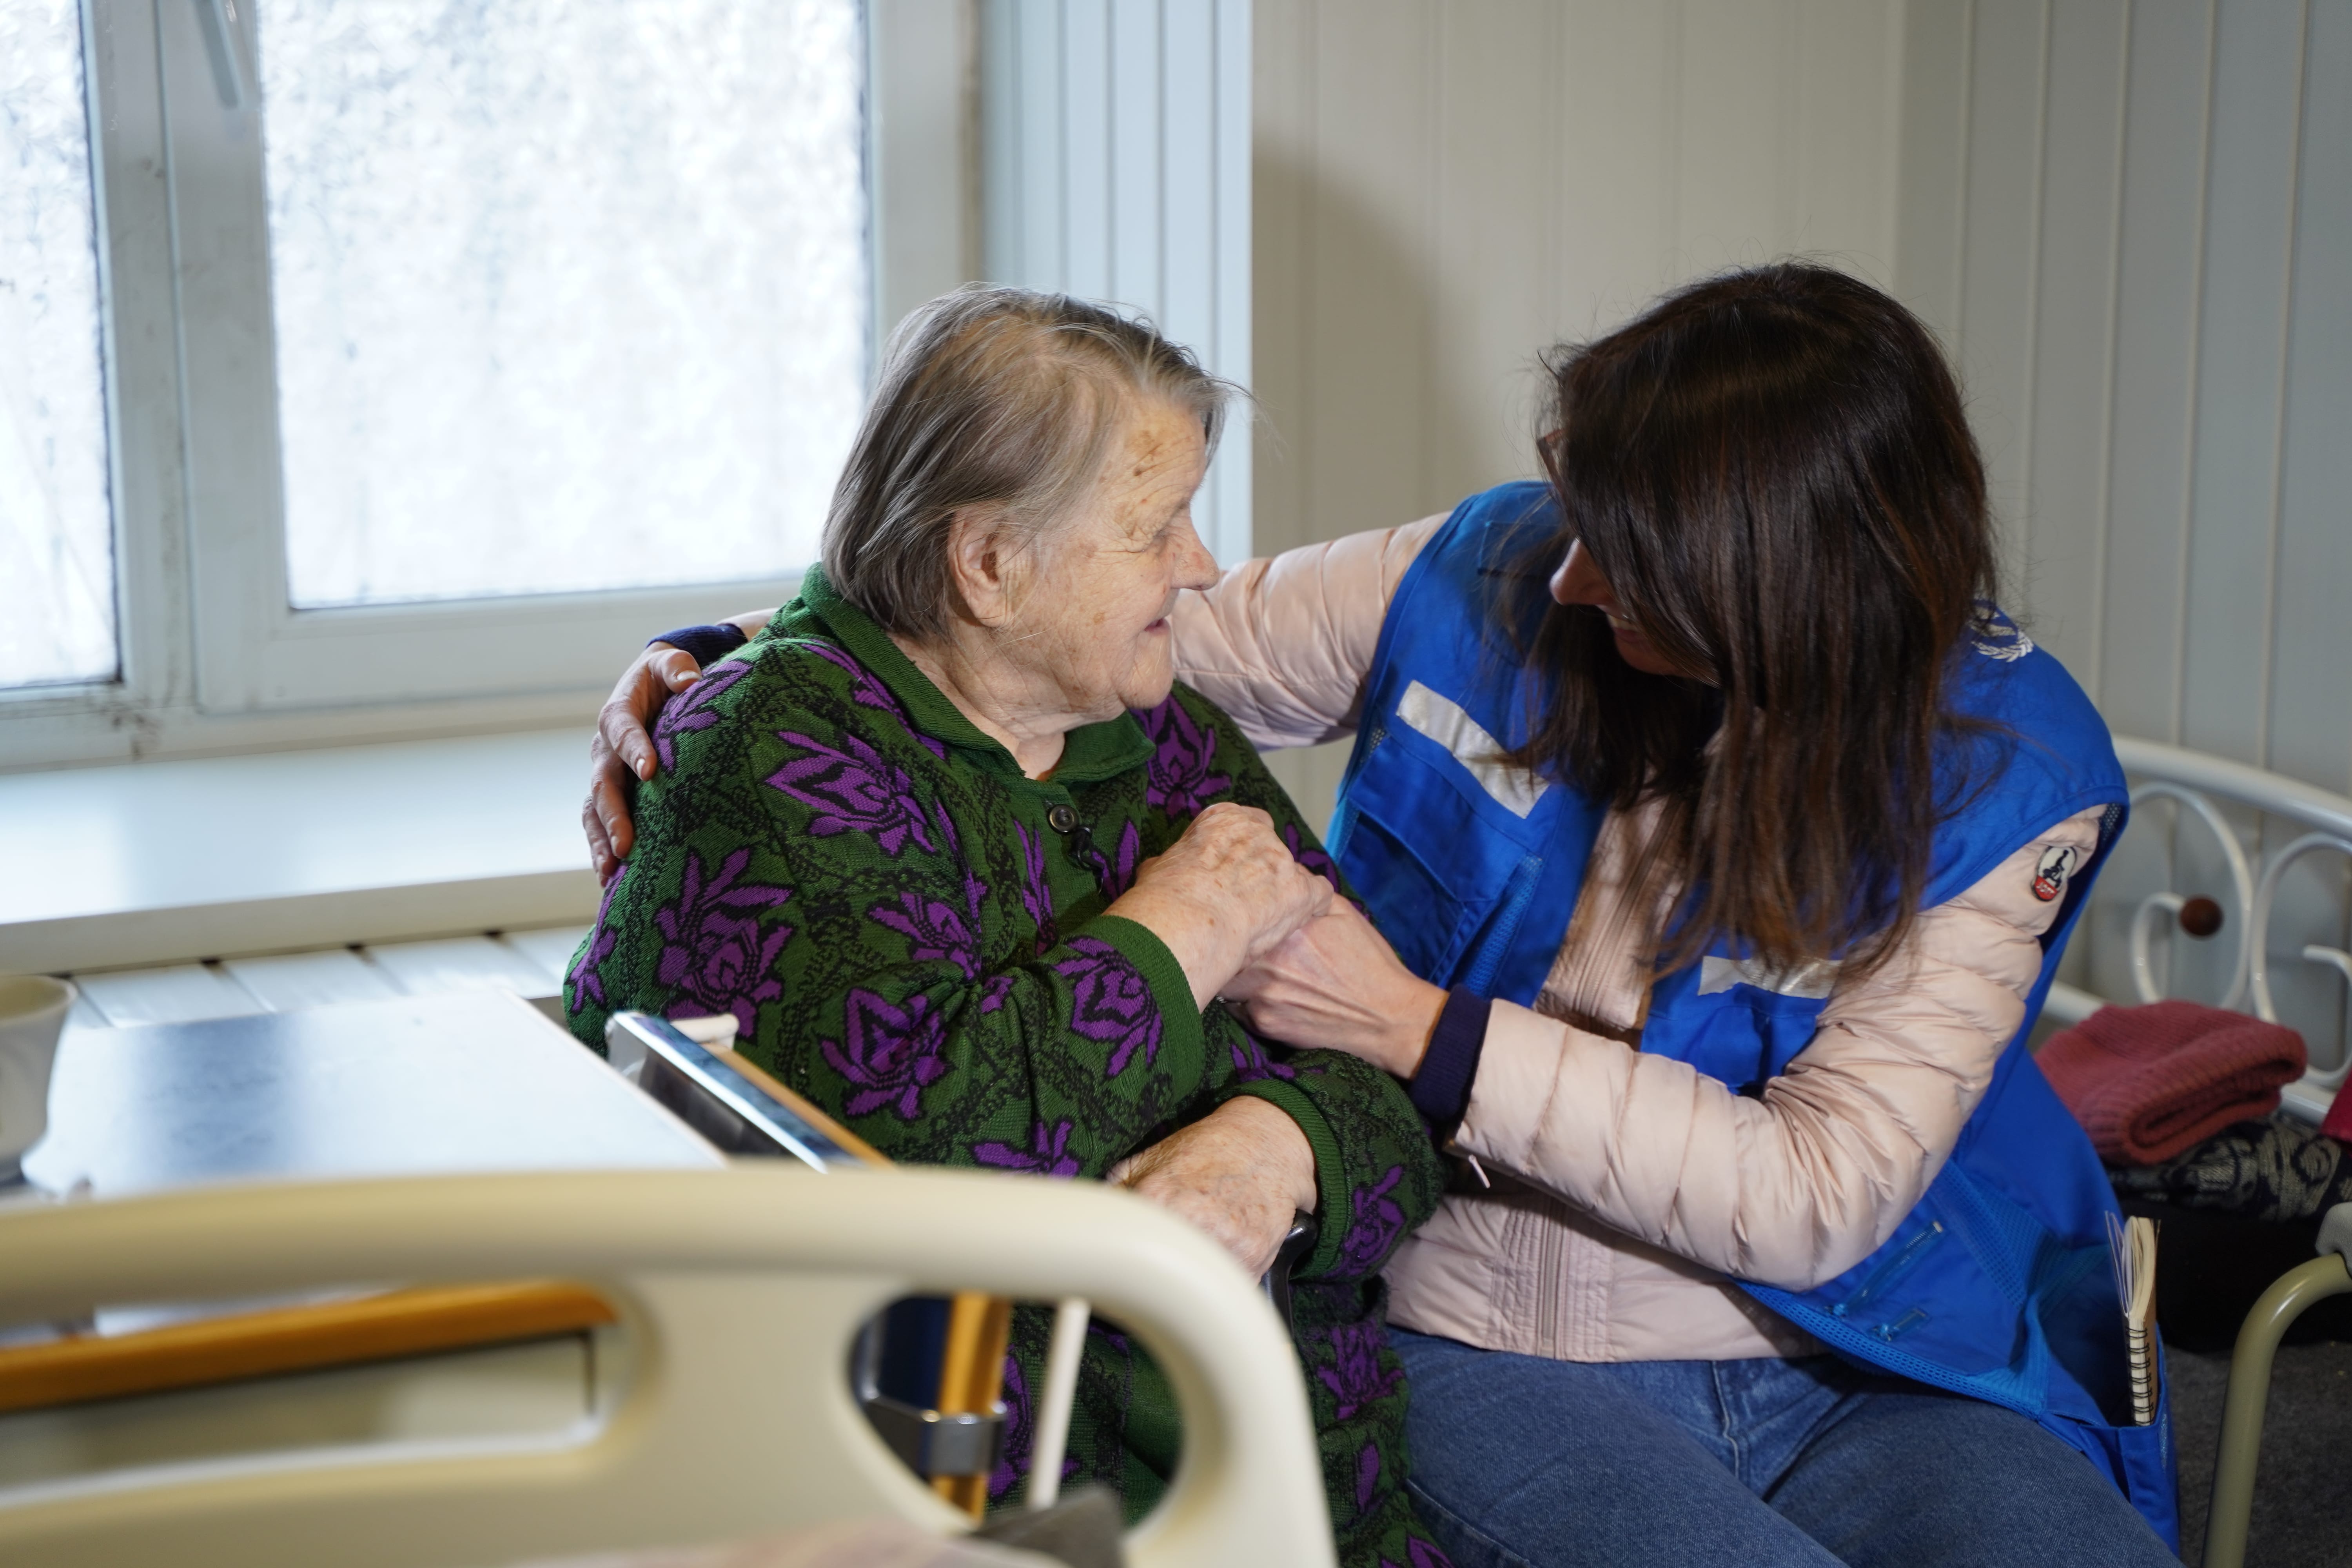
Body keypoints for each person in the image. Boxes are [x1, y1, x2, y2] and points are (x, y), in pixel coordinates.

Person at [589, 265, 2177, 1567]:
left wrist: (1373, 1062)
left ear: (1761, 598)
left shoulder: (2011, 775)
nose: (1564, 579)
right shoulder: (1493, 569)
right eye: (1579, 516)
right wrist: (738, 655)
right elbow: (1059, 622)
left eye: (1625, 559)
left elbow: (1816, 1194)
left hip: (1869, 1345)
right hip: (1492, 1318)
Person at [564, 286, 1448, 1568]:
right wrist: (1185, 923)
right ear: (988, 565)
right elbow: (942, 1162)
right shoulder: (769, 754)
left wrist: (1282, 1145)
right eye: (1156, 528)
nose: (1199, 566)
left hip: (1310, 1481)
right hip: (987, 1519)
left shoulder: (1159, 733)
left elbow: (1384, 1080)